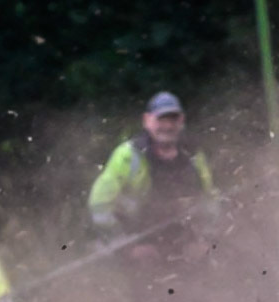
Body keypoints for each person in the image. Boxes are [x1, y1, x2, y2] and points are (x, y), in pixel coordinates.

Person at [87, 91, 218, 248]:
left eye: (173, 119)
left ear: (181, 121)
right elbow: (99, 205)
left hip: (185, 241)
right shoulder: (127, 156)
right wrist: (127, 248)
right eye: (161, 119)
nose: (167, 126)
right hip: (133, 240)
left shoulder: (193, 155)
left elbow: (210, 200)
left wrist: (204, 240)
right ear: (146, 120)